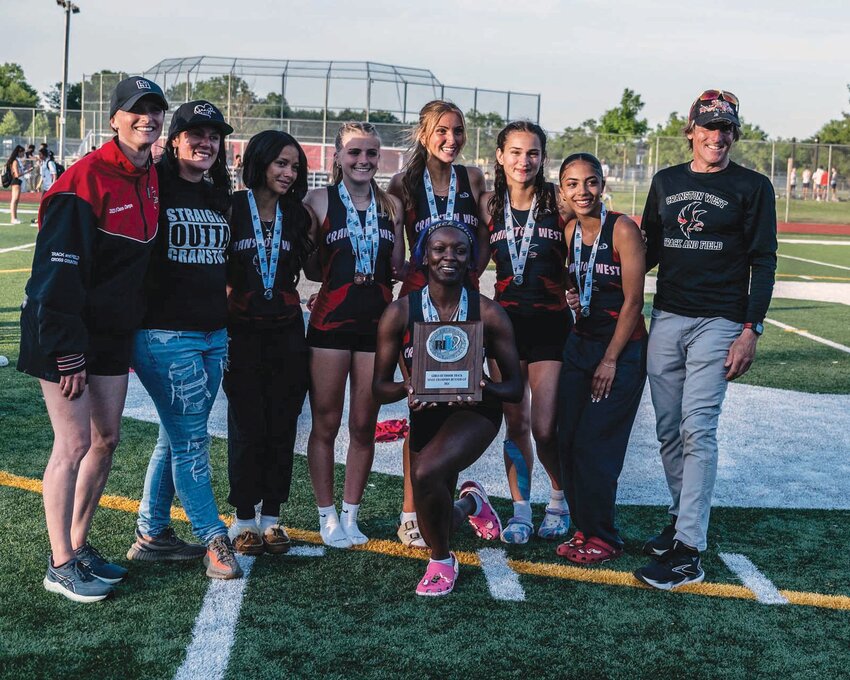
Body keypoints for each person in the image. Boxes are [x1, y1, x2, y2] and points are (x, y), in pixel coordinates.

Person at [17, 76, 168, 602]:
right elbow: (54, 279)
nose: (146, 118)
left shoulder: (150, 173)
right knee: (74, 443)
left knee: (106, 440)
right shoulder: (83, 180)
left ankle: (78, 548)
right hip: (63, 331)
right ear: (114, 119)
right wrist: (67, 350)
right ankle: (59, 564)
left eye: (154, 110)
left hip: (110, 333)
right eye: (136, 111)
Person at [635, 89, 777, 590]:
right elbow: (646, 250)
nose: (717, 136)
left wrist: (750, 329)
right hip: (668, 316)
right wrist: (601, 277)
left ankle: (689, 550)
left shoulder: (753, 186)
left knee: (699, 430)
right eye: (709, 127)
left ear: (734, 134)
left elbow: (763, 260)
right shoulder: (666, 181)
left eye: (726, 128)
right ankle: (679, 520)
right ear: (691, 131)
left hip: (719, 322)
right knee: (669, 430)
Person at [373, 220, 523, 596]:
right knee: (430, 523)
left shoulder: (488, 313)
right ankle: (471, 504)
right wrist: (408, 387)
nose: (449, 257)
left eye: (459, 250)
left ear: (472, 259)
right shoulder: (400, 312)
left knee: (425, 473)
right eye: (440, 249)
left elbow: (516, 388)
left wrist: (484, 385)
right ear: (424, 255)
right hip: (425, 412)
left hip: (474, 412)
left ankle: (442, 562)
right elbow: (378, 387)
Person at [126, 100, 241, 579]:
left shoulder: (219, 193)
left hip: (213, 335)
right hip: (165, 334)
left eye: (214, 135)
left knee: (174, 438)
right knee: (192, 440)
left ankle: (152, 534)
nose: (206, 142)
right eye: (195, 133)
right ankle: (215, 539)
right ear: (173, 140)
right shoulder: (154, 185)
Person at [387, 100, 489, 548]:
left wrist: (472, 271)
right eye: (442, 131)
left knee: (457, 401)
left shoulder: (474, 179)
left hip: (463, 303)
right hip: (419, 304)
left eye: (459, 130)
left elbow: (486, 237)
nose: (452, 139)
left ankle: (447, 498)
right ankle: (412, 510)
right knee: (420, 406)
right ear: (424, 134)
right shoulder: (402, 183)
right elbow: (393, 250)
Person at [304, 122, 404, 548]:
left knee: (364, 425)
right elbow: (308, 267)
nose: (363, 161)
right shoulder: (317, 200)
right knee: (325, 422)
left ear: (380, 158)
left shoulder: (392, 206)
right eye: (354, 153)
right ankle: (326, 516)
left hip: (376, 328)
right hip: (329, 325)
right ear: (337, 156)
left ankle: (351, 514)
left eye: (371, 154)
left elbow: (397, 267)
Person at [478, 121, 571, 544]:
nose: (523, 161)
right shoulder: (487, 205)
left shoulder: (560, 200)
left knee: (546, 426)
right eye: (515, 152)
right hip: (505, 326)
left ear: (542, 158)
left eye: (532, 153)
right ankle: (519, 510)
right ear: (500, 156)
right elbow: (473, 262)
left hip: (551, 323)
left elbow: (586, 246)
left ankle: (558, 499)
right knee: (515, 422)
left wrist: (578, 289)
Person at [224, 130, 316, 555]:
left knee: (283, 423)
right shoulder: (229, 208)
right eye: (281, 163)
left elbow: (314, 266)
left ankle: (273, 517)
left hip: (285, 329)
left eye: (294, 166)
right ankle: (243, 518)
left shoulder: (296, 215)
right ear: (259, 162)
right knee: (246, 424)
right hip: (240, 331)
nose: (288, 172)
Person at [556, 153, 647, 565]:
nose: (582, 191)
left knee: (597, 446)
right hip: (581, 345)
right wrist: (574, 299)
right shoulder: (570, 230)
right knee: (567, 441)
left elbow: (633, 302)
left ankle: (604, 536)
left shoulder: (623, 229)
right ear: (562, 190)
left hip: (620, 350)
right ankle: (583, 527)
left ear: (603, 184)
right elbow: (582, 285)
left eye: (590, 182)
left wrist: (610, 360)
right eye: (572, 184)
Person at [5, 145, 27, 224]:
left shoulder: (17, 160)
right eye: (22, 153)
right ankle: (13, 218)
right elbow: (16, 174)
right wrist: (27, 172)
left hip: (18, 181)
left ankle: (15, 218)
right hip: (16, 181)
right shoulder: (15, 161)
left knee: (16, 200)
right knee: (14, 199)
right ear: (19, 152)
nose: (23, 155)